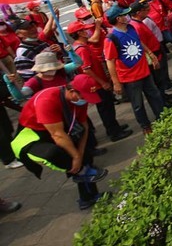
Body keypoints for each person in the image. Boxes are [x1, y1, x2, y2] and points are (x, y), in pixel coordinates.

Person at [10, 74, 110, 210]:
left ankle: (87, 197)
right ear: (72, 90)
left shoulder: (78, 100)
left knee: (85, 155)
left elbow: (84, 126)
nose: (86, 101)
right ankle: (79, 172)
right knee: (55, 154)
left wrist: (80, 153)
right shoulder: (47, 100)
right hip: (33, 136)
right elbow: (57, 135)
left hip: (57, 129)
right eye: (83, 97)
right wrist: (75, 157)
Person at [68, 21, 133, 142]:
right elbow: (86, 69)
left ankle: (115, 127)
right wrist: (102, 83)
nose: (87, 32)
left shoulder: (83, 45)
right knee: (106, 109)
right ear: (80, 33)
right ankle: (114, 132)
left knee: (108, 107)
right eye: (85, 30)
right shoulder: (81, 49)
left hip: (99, 82)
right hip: (96, 85)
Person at [104, 5, 164, 134]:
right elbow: (110, 62)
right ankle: (145, 126)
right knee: (138, 104)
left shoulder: (130, 28)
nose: (128, 16)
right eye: (124, 15)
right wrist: (116, 83)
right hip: (130, 78)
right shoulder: (111, 38)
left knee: (155, 96)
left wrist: (150, 54)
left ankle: (163, 117)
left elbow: (139, 42)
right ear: (119, 19)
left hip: (144, 71)